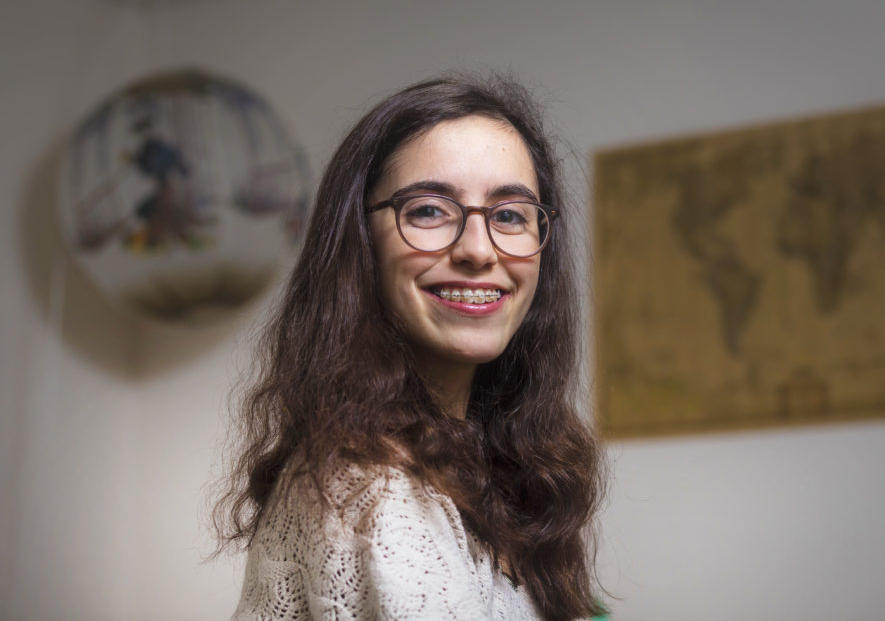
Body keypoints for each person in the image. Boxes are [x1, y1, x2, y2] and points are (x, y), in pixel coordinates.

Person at [215, 74, 603, 620]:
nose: (477, 249)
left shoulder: (484, 464)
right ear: (359, 243)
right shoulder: (368, 491)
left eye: (510, 214)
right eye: (428, 209)